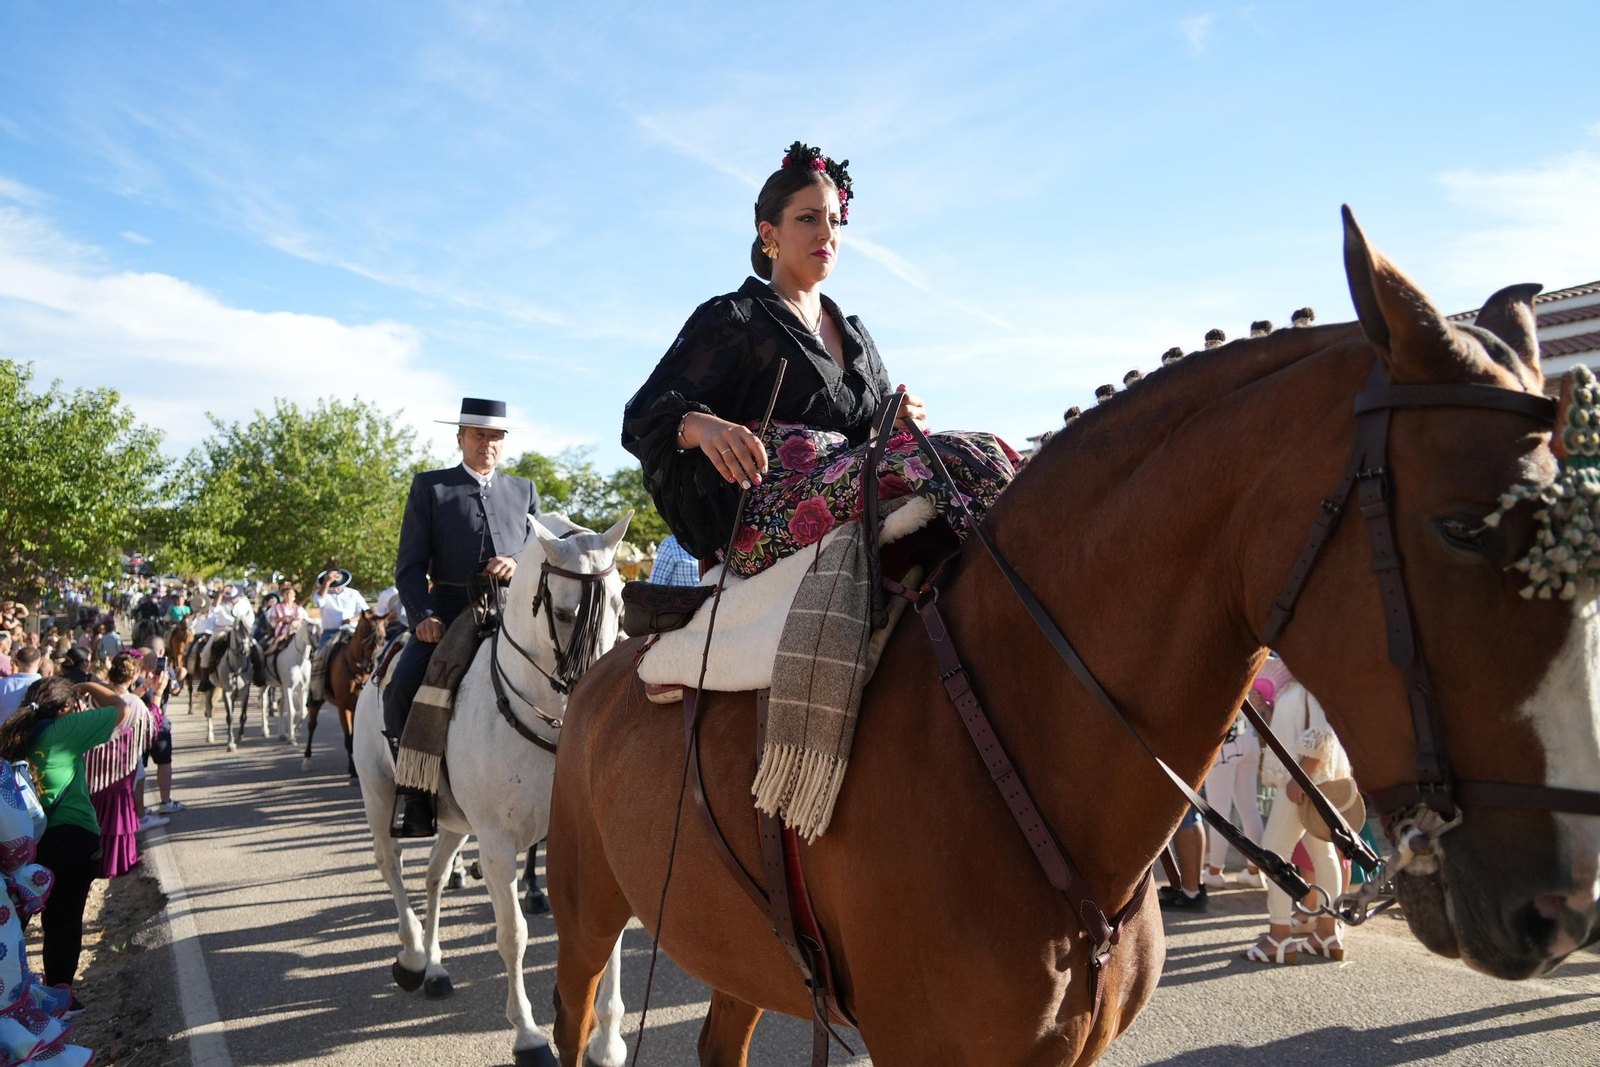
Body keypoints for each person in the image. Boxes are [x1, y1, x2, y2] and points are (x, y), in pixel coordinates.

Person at [622, 141, 1019, 580]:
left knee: (986, 447)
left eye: (833, 221)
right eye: (808, 219)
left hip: (855, 481)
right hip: (764, 514)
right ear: (769, 232)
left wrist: (896, 419)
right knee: (941, 457)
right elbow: (643, 415)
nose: (826, 233)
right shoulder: (736, 317)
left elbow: (872, 435)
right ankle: (1017, 572)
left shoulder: (856, 338)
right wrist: (704, 426)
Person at [385, 397, 541, 837]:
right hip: (449, 611)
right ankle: (415, 792)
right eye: (478, 435)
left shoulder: (524, 490)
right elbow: (409, 567)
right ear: (460, 439)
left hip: (512, 609)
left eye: (495, 436)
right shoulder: (431, 487)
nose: (487, 444)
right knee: (403, 685)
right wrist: (423, 616)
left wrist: (515, 559)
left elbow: (538, 549)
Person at [0, 676, 132, 998]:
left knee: (16, 920)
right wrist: (87, 686)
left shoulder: (13, 734)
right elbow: (121, 707)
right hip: (72, 835)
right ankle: (61, 995)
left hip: (23, 842)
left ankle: (14, 993)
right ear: (64, 708)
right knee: (64, 920)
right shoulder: (66, 729)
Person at [1242, 671, 1351, 964]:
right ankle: (1327, 934)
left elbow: (1323, 732)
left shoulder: (1314, 682)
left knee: (1273, 853)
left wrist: (1301, 777)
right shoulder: (1301, 683)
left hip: (1302, 783)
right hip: (1307, 781)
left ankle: (1279, 938)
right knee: (1323, 853)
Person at [78, 655, 160, 874]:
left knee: (94, 815)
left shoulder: (93, 698)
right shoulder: (134, 703)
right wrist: (158, 696)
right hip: (120, 766)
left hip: (93, 766)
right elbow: (152, 731)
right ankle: (116, 863)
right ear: (133, 676)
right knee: (117, 818)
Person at [1203, 684, 1266, 890]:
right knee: (1249, 808)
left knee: (1219, 811)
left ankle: (1214, 871)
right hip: (1248, 739)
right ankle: (1255, 871)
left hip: (1224, 746)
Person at [313, 568, 368, 650]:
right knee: (319, 656)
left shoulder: (353, 593)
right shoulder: (323, 593)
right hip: (330, 632)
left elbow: (366, 611)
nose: (336, 589)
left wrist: (353, 619)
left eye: (338, 586)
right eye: (333, 586)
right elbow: (319, 602)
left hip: (351, 630)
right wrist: (327, 582)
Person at [0, 645, 49, 724]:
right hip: (36, 733)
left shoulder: (2, 684)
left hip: (4, 732)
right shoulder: (47, 687)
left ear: (16, 662)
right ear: (40, 663)